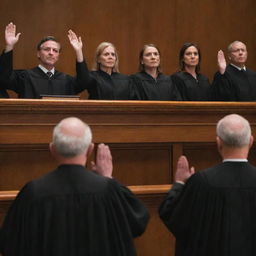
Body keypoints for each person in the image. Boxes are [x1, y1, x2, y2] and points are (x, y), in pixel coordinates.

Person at [0, 117, 149, 255]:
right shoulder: (108, 190)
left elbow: (9, 244)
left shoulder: (33, 192)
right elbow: (138, 222)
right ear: (90, 149)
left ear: (52, 149)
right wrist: (108, 178)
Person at [159, 114, 256, 256]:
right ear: (251, 141)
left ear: (218, 142)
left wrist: (180, 184)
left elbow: (173, 217)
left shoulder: (202, 182)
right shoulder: (202, 181)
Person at [0, 22, 88, 98]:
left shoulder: (66, 81)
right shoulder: (25, 77)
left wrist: (78, 51)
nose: (51, 53)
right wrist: (9, 46)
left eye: (55, 50)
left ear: (58, 56)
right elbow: (4, 78)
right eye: (46, 49)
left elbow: (84, 82)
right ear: (38, 53)